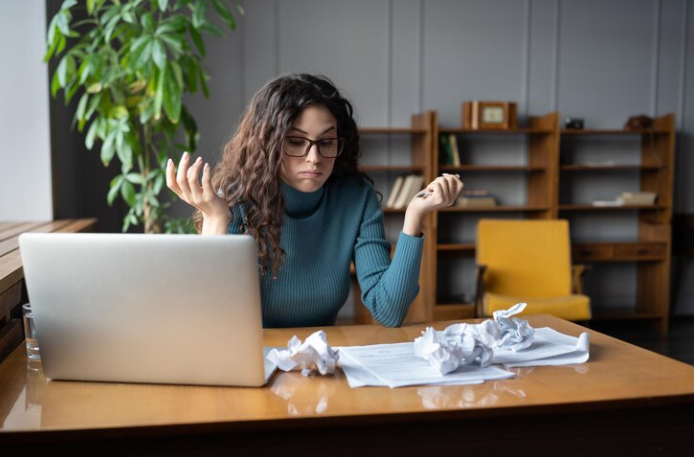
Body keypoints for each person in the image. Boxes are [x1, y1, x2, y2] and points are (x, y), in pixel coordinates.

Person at [166, 74, 463, 328]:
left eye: (326, 142)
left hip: (321, 363)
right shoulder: (237, 203)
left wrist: (414, 218)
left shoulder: (356, 199)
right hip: (253, 361)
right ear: (269, 144)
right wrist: (217, 220)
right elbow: (211, 320)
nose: (314, 158)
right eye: (296, 141)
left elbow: (389, 311)